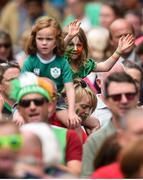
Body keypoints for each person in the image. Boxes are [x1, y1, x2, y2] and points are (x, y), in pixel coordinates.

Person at [10, 72, 82, 176]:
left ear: (49, 106)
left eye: (38, 102)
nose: (32, 107)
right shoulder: (10, 137)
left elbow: (76, 174)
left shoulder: (68, 136)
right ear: (20, 110)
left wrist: (44, 165)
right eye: (26, 103)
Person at [21, 16, 81, 128]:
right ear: (34, 39)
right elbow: (21, 88)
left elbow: (69, 88)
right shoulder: (30, 61)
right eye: (40, 38)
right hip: (32, 100)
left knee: (74, 124)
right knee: (19, 122)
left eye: (49, 39)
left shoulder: (62, 62)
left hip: (56, 101)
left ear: (56, 41)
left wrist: (71, 112)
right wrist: (18, 112)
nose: (44, 43)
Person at [81, 72, 139, 177]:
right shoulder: (95, 141)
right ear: (107, 101)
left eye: (129, 95)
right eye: (117, 97)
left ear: (137, 97)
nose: (124, 100)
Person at [64, 19, 134, 80]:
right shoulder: (60, 60)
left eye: (79, 45)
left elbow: (105, 66)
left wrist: (119, 50)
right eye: (70, 45)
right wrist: (69, 37)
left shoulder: (84, 65)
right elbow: (58, 50)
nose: (75, 49)